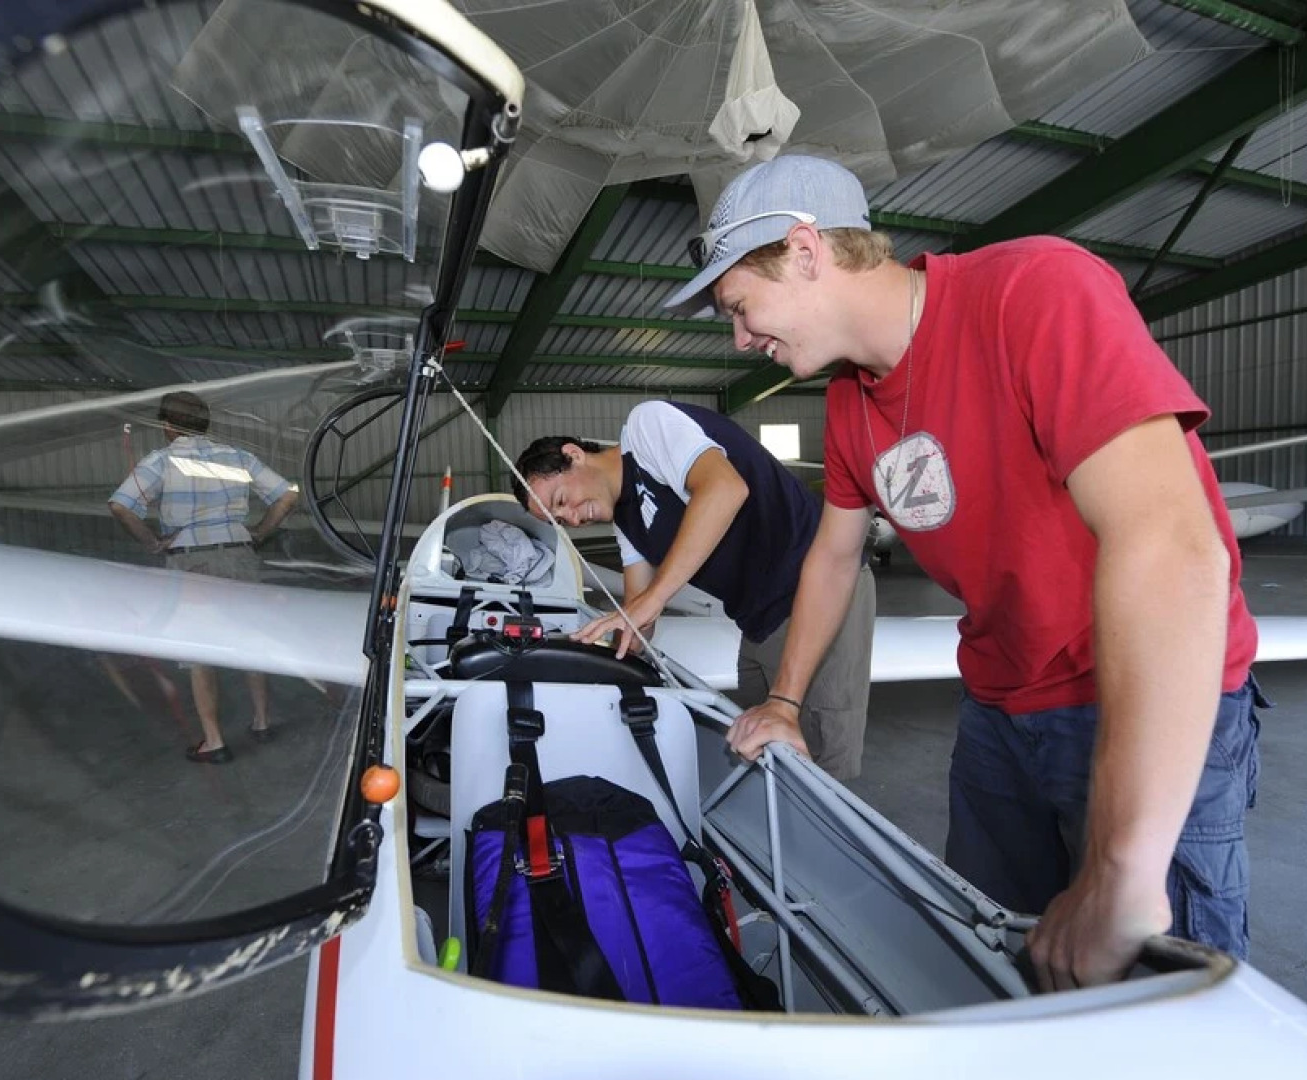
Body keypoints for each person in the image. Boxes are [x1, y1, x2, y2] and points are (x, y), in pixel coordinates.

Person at [666, 154, 1262, 992]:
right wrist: (786, 700)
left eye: (739, 307)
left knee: (1160, 1001)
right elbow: (834, 555)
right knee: (992, 969)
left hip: (1132, 688)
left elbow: (1171, 543)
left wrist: (1122, 868)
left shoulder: (1034, 289)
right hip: (999, 702)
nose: (740, 340)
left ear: (804, 252)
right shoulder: (846, 405)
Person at [512, 402, 876, 780]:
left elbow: (725, 488)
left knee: (822, 767)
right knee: (763, 756)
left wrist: (652, 601)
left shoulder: (646, 427)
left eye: (560, 501)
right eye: (559, 520)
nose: (572, 518)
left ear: (573, 455)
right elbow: (638, 620)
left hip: (817, 590)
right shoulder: (626, 521)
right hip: (759, 620)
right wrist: (589, 651)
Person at [108, 390, 300, 764]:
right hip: (239, 556)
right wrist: (258, 532)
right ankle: (261, 721)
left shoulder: (161, 462)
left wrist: (151, 542)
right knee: (252, 638)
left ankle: (214, 742)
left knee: (199, 652)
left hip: (190, 563)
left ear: (166, 425)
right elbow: (287, 495)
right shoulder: (236, 456)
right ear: (207, 423)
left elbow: (120, 505)